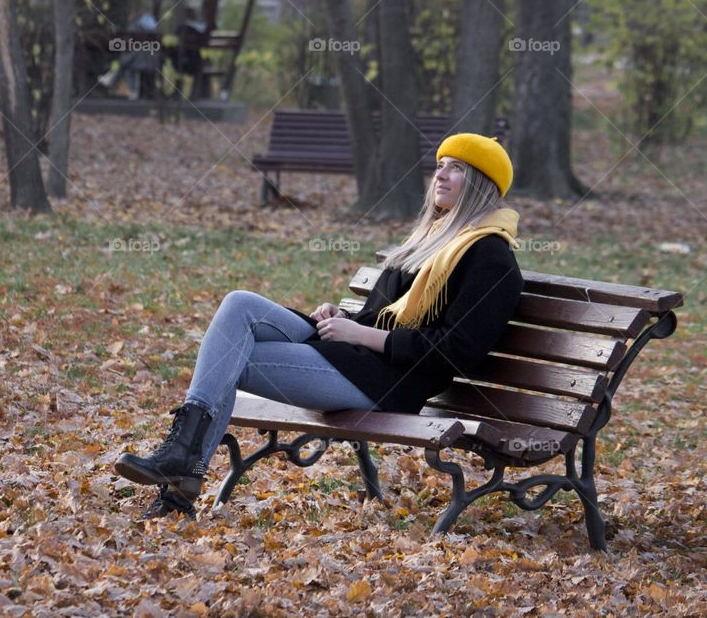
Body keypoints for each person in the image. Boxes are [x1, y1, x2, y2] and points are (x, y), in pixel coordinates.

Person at [114, 133, 526, 518]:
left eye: (455, 167)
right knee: (239, 305)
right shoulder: (430, 242)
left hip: (388, 383)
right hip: (355, 358)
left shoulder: (491, 259)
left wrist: (364, 336)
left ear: (479, 183)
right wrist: (344, 319)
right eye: (440, 164)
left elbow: (458, 351)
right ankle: (182, 462)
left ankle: (181, 479)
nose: (440, 173)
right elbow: (379, 313)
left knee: (228, 356)